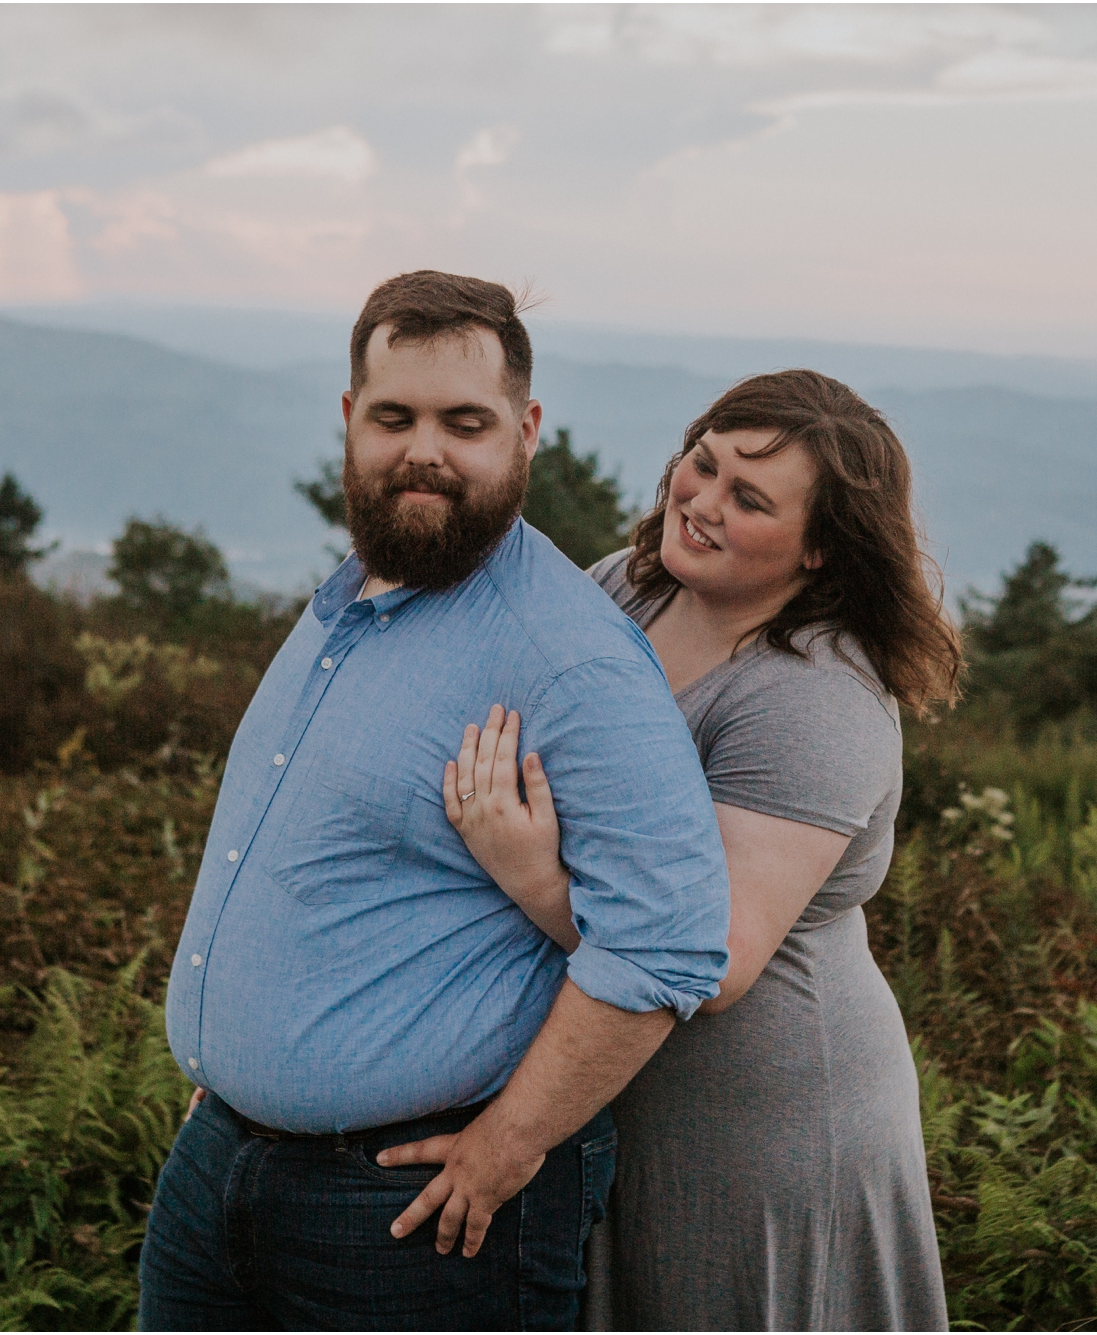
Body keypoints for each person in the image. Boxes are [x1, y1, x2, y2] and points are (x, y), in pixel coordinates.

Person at [137, 271, 732, 1331]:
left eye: (466, 422)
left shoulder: (569, 659)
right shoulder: (355, 594)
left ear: (526, 429)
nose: (425, 450)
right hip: (222, 1163)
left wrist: (511, 1140)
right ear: (348, 422)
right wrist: (240, 1074)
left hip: (409, 1219)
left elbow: (667, 943)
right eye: (393, 417)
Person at [415, 369, 965, 1330]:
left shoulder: (815, 700)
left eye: (748, 498)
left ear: (823, 549)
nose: (701, 501)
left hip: (755, 1122)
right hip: (605, 1075)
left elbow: (711, 958)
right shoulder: (630, 587)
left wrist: (530, 872)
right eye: (701, 464)